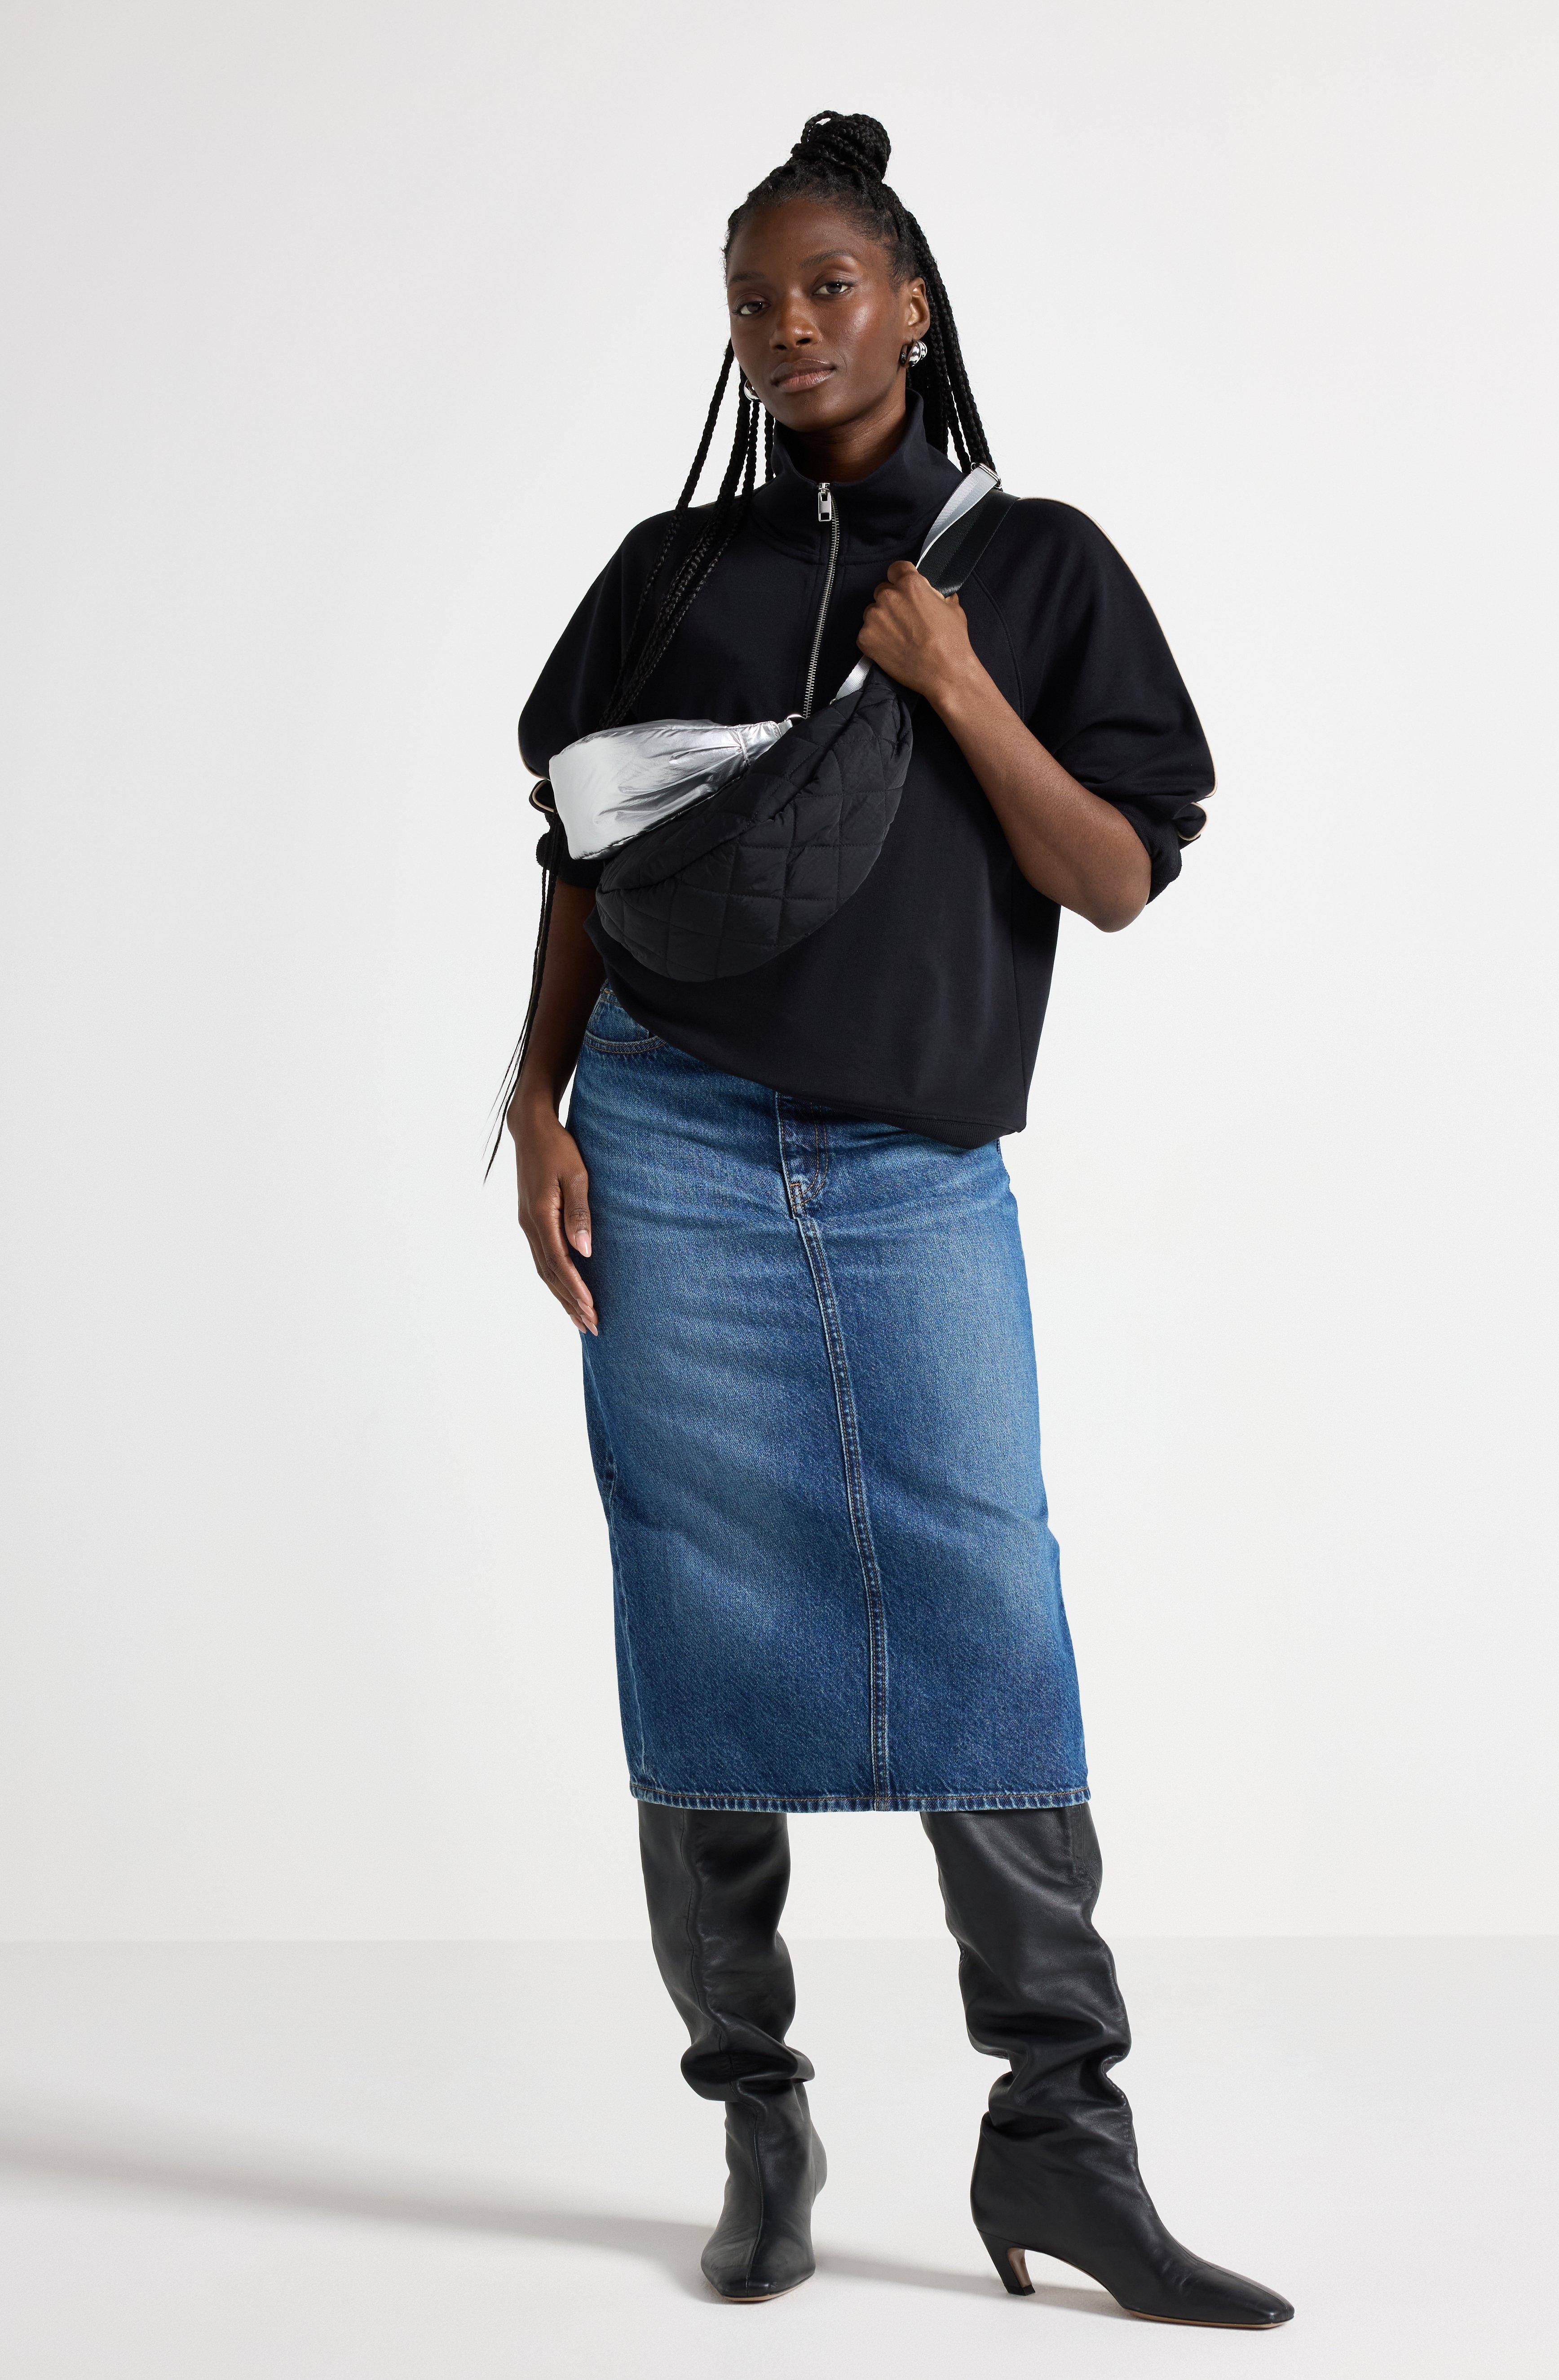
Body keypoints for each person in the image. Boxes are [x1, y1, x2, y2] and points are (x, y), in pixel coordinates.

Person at [503, 110, 1293, 2329]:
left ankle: (1060, 2130)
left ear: (913, 307)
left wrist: (951, 680)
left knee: (988, 1604)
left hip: (909, 1163)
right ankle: (757, 2117)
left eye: (828, 286)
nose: (788, 327)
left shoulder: (1031, 566)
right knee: (697, 1606)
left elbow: (1113, 874)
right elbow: (576, 854)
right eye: (753, 298)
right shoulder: (668, 570)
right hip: (664, 1137)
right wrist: (536, 1094)